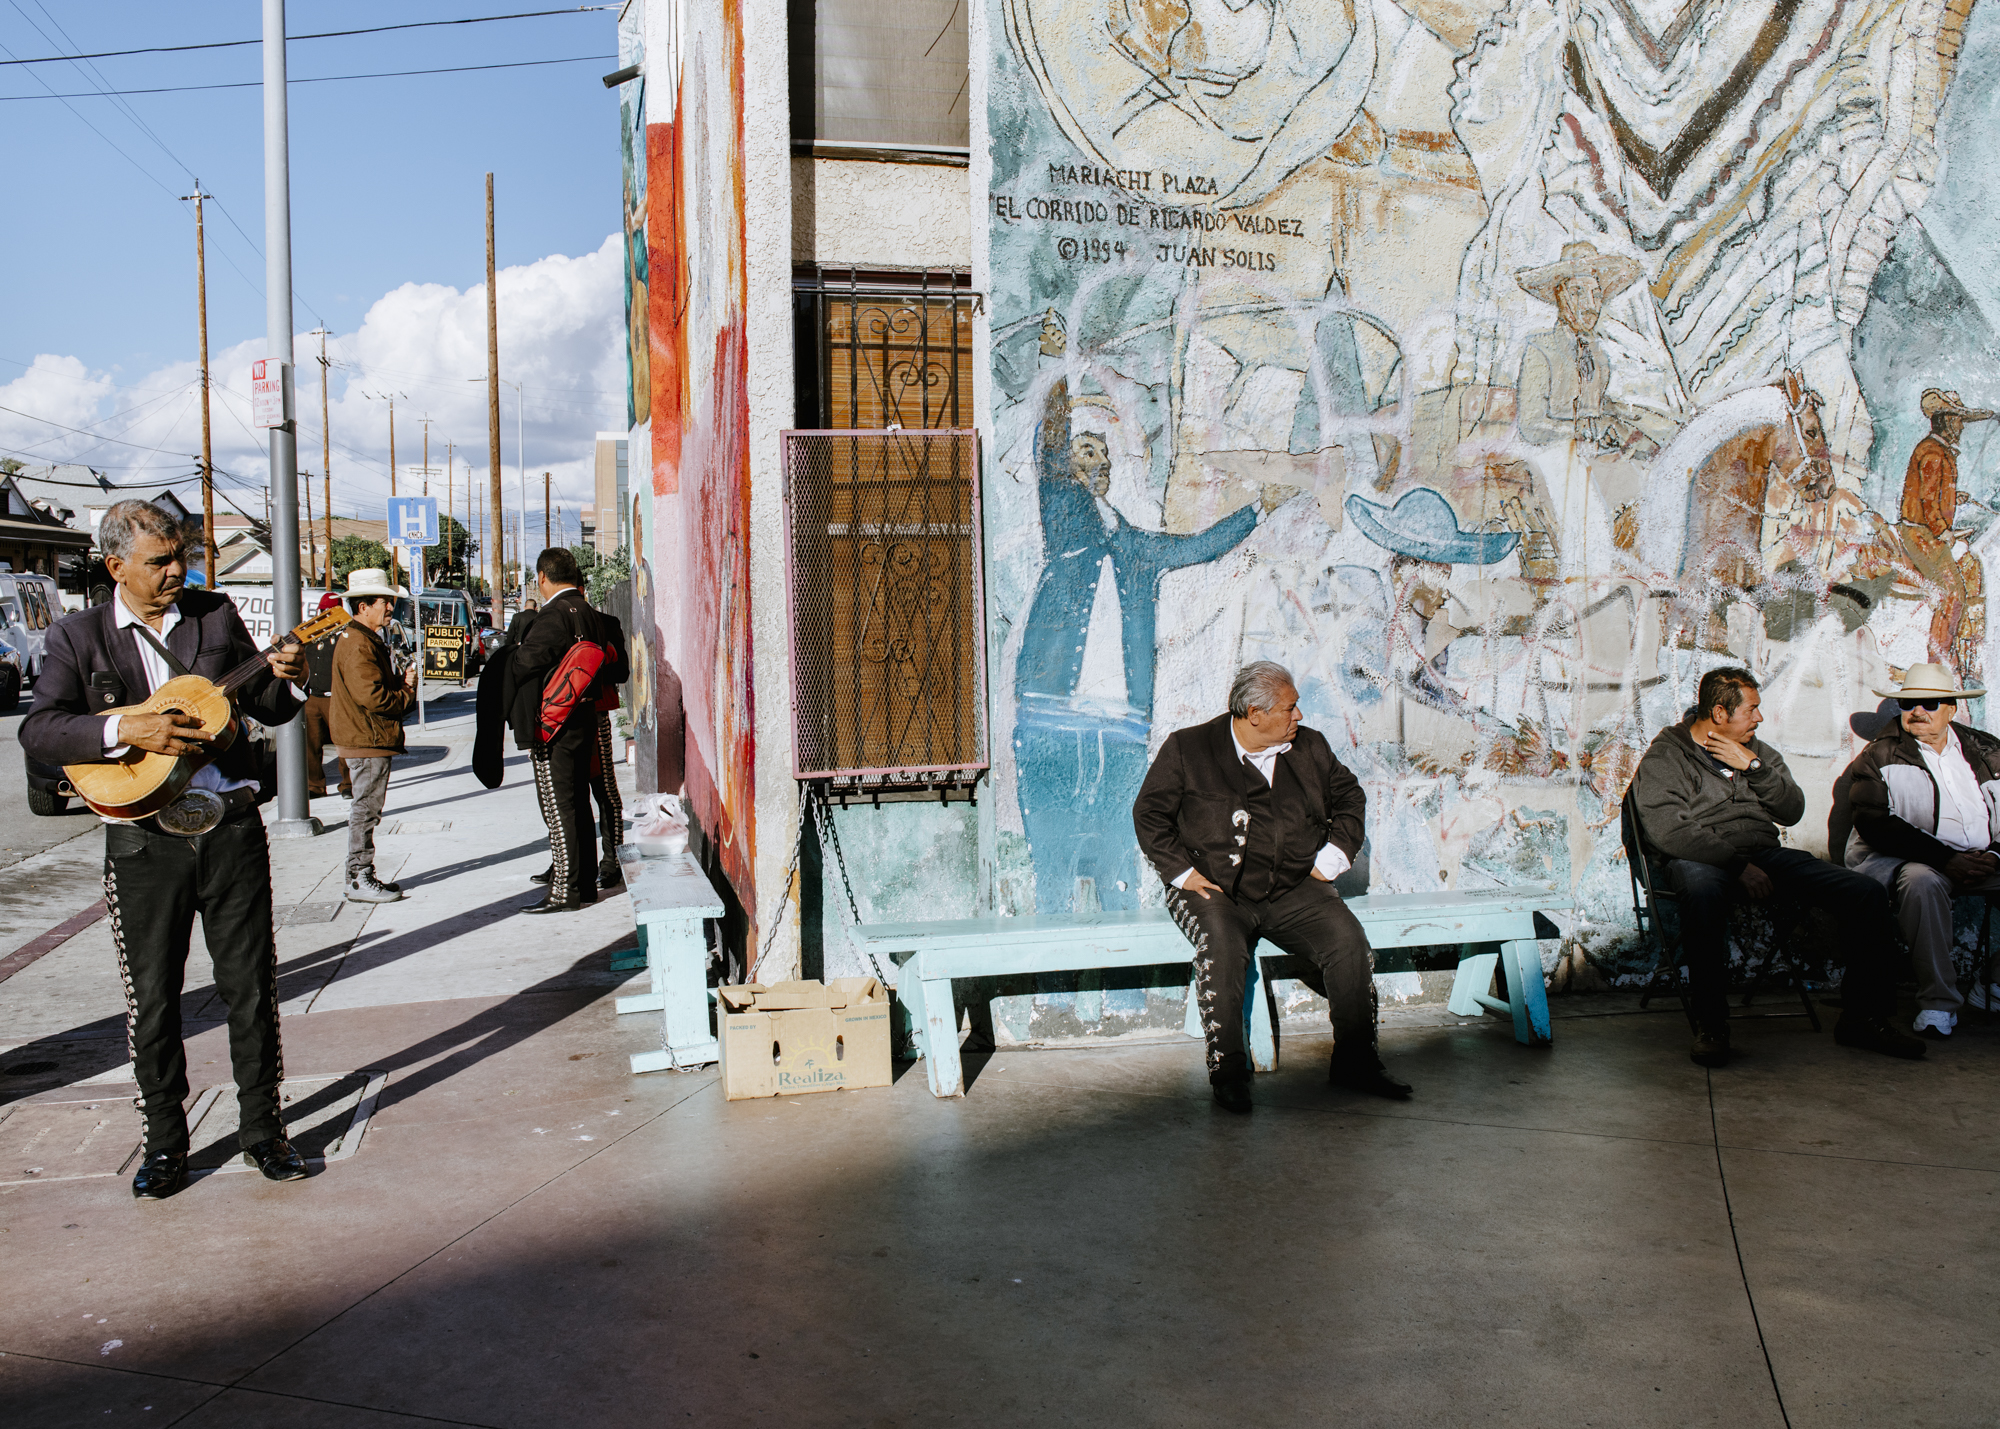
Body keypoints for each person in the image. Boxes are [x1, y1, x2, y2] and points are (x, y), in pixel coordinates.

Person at [19, 500, 309, 1199]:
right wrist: (128, 729)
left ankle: (264, 1132)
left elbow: (269, 702)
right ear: (115, 564)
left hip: (231, 828)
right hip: (144, 843)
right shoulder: (78, 637)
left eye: (180, 555)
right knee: (153, 999)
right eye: (160, 560)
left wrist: (289, 672)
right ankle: (165, 1145)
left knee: (251, 988)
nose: (177, 569)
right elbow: (42, 731)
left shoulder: (213, 616)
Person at [1133, 660, 1408, 1112]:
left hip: (1295, 887)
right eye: (1290, 708)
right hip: (1215, 891)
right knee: (1221, 947)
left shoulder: (1310, 747)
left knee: (1348, 942)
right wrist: (1182, 873)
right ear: (1254, 714)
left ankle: (1356, 1062)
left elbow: (1349, 796)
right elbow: (1149, 814)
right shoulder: (1189, 748)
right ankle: (1229, 1072)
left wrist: (1333, 857)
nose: (1299, 716)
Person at [1628, 666, 1924, 1067]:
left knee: (1864, 892)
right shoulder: (1668, 754)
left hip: (1765, 856)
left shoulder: (1758, 750)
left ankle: (1865, 1018)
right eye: (1751, 709)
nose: (1759, 718)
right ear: (1719, 713)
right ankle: (1712, 1025)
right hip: (1700, 858)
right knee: (1701, 893)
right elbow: (1669, 829)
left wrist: (1753, 767)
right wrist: (1736, 867)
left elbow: (1792, 810)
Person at [1835, 664, 2000, 1038]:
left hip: (1983, 859)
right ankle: (1938, 1004)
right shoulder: (1879, 755)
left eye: (1929, 703)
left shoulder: (1986, 750)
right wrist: (1947, 859)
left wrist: (1995, 855)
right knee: (1921, 883)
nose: (1917, 711)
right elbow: (1875, 822)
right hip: (1918, 862)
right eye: (1908, 704)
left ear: (1951, 710)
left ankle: (1993, 981)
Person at [509, 548, 610, 914]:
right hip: (583, 716)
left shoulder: (553, 614)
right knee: (579, 804)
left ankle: (564, 890)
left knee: (558, 806)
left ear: (542, 577)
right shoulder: (588, 612)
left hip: (555, 725)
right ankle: (583, 885)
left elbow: (526, 661)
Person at [330, 568, 418, 904]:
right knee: (366, 809)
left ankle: (359, 874)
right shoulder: (358, 644)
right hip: (367, 739)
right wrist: (407, 691)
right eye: (385, 601)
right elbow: (374, 697)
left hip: (369, 738)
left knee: (366, 808)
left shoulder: (363, 640)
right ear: (363, 606)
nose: (390, 608)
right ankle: (359, 876)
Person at [300, 591, 350, 799]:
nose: (325, 615)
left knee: (344, 743)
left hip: (335, 698)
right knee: (310, 745)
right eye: (322, 611)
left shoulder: (345, 635)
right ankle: (315, 786)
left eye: (329, 611)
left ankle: (348, 784)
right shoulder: (309, 635)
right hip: (312, 697)